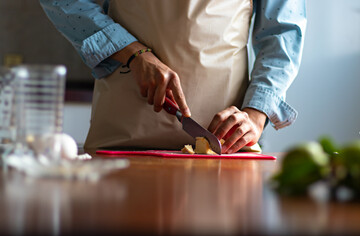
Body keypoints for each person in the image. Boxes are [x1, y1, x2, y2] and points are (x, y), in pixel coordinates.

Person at [40, 0, 306, 153]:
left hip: (227, 148)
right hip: (123, 144)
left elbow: (282, 31)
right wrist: (133, 53)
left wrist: (255, 115)